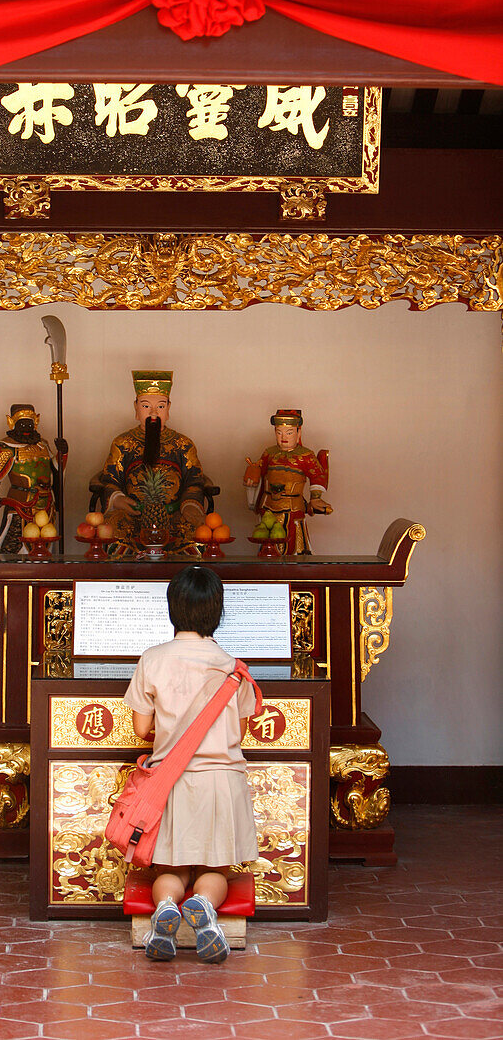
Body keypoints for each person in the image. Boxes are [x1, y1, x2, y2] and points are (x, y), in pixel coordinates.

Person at [123, 565, 259, 964]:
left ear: (173, 609)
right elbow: (243, 729)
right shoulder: (233, 666)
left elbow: (140, 726)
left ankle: (166, 907)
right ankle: (203, 904)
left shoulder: (153, 659)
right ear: (216, 612)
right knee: (215, 867)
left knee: (172, 866)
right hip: (221, 782)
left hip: (170, 783)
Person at [96, 370, 208, 555]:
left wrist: (189, 505)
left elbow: (194, 482)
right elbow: (110, 480)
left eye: (161, 407)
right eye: (146, 406)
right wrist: (118, 499)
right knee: (113, 530)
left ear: (169, 408)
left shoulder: (183, 444)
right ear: (136, 408)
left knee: (198, 535)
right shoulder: (122, 443)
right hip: (134, 515)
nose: (154, 412)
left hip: (173, 516)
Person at [243, 408, 332, 555]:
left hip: (293, 508)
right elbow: (260, 472)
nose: (283, 437)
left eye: (289, 433)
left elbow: (318, 476)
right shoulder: (269, 453)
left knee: (294, 546)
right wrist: (252, 478)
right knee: (267, 543)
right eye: (279, 432)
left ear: (298, 433)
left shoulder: (306, 455)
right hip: (269, 506)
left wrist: (316, 498)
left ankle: (293, 574)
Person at [0, 404, 66, 554]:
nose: (26, 426)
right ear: (12, 423)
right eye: (22, 423)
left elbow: (55, 469)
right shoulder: (8, 447)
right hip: (20, 503)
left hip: (46, 502)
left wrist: (63, 453)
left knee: (45, 542)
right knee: (14, 543)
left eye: (29, 423)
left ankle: (41, 573)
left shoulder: (42, 445)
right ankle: (10, 573)